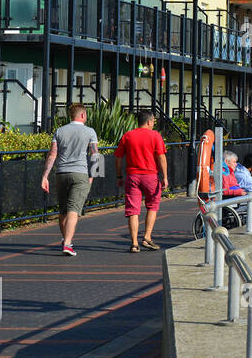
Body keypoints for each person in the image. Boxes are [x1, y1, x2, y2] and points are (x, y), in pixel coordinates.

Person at [40, 103, 100, 257]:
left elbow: (52, 154)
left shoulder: (59, 131)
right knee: (74, 210)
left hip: (61, 173)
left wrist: (45, 176)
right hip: (80, 173)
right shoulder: (90, 131)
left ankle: (65, 239)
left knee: (63, 210)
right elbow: (95, 155)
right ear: (82, 115)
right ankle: (67, 243)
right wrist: (93, 176)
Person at [114, 110, 168, 253]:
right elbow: (161, 157)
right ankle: (147, 237)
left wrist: (119, 176)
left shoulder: (128, 135)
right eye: (153, 122)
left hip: (132, 176)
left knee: (133, 210)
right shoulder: (155, 135)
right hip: (150, 176)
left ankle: (134, 243)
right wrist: (165, 176)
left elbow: (118, 157)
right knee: (152, 206)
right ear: (149, 122)